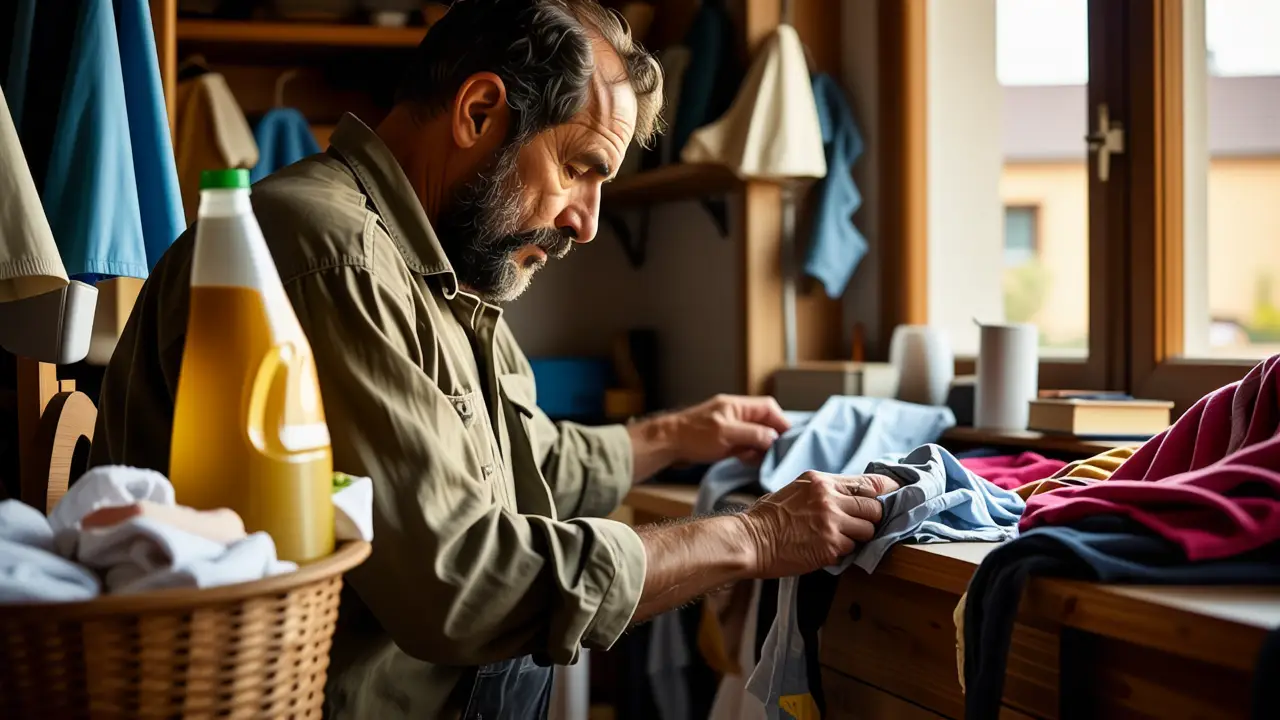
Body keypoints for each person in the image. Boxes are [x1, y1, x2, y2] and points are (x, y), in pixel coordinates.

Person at [91, 1, 899, 717]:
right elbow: (464, 582)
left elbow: (525, 456)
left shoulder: (438, 269)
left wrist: (677, 434)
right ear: (480, 110)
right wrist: (753, 538)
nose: (585, 221)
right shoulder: (328, 251)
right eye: (580, 168)